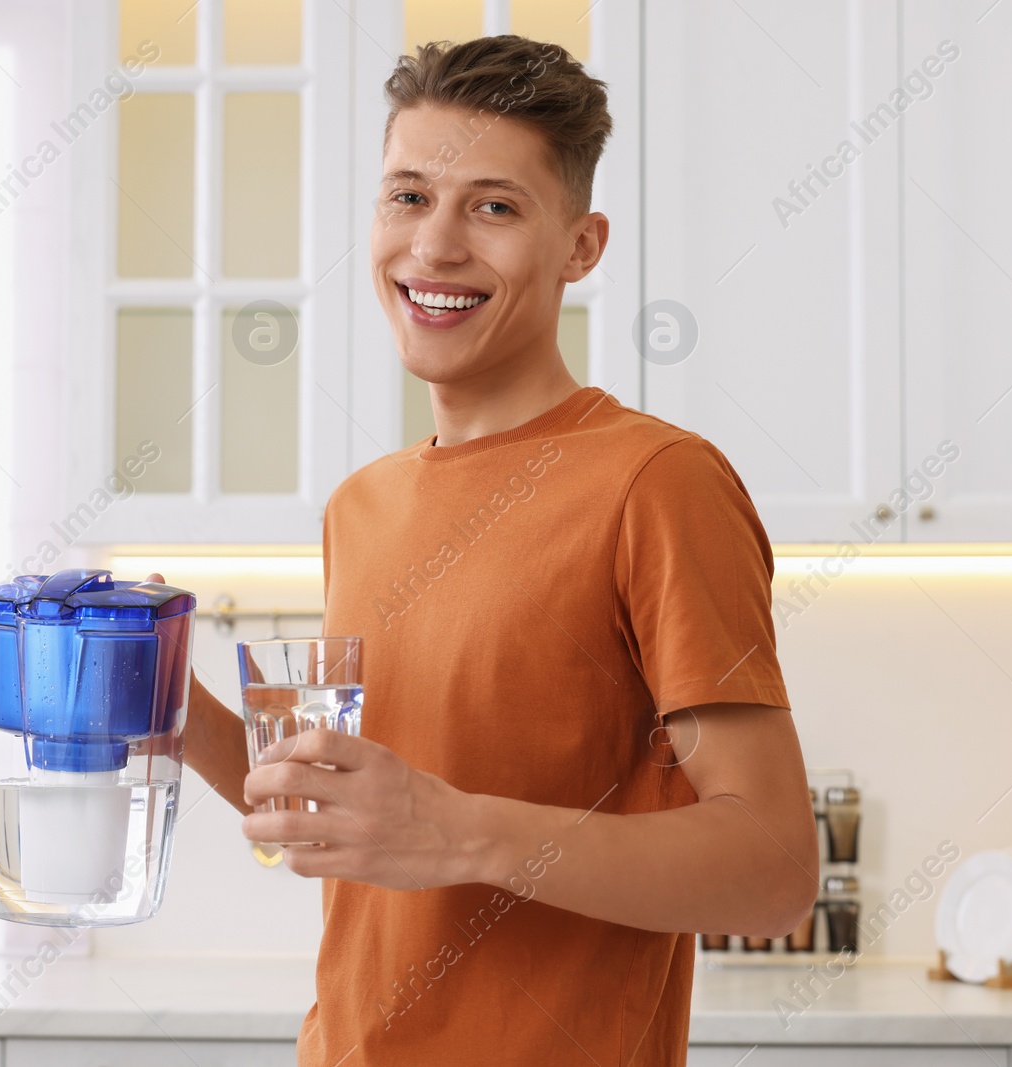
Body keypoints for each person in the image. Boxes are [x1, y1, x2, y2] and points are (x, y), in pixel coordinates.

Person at [157, 35, 817, 1067]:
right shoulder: (361, 505)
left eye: (495, 206)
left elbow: (773, 866)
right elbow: (330, 817)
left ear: (580, 245)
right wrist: (163, 701)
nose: (435, 246)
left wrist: (458, 828)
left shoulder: (656, 481)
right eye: (408, 196)